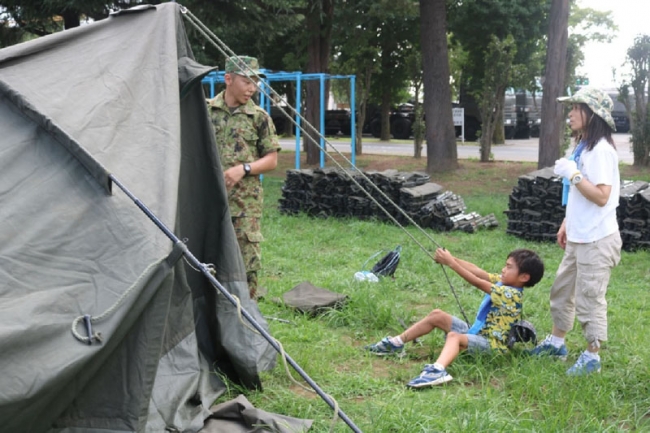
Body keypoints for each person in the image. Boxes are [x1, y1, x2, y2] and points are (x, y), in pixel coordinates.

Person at [528, 87, 622, 376]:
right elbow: (580, 197)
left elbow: (602, 196)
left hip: (597, 239)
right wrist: (567, 223)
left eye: (575, 108)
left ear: (591, 113)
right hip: (580, 235)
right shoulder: (583, 147)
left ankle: (592, 357)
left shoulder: (601, 151)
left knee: (589, 298)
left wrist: (573, 173)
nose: (569, 113)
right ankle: (557, 342)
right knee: (562, 290)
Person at [365, 248, 544, 388]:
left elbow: (477, 281)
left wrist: (451, 264)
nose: (503, 270)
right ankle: (396, 343)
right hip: (478, 333)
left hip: (493, 346)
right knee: (437, 315)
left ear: (524, 277)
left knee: (454, 337)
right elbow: (478, 271)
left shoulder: (511, 293)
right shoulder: (505, 281)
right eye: (505, 265)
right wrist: (452, 258)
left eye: (509, 267)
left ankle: (438, 370)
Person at [208, 56, 280, 299]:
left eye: (255, 82)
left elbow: (271, 160)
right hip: (209, 201)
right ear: (228, 79)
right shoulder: (207, 111)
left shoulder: (259, 117)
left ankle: (246, 318)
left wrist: (244, 169)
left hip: (244, 205)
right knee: (208, 257)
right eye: (246, 81)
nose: (252, 88)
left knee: (245, 263)